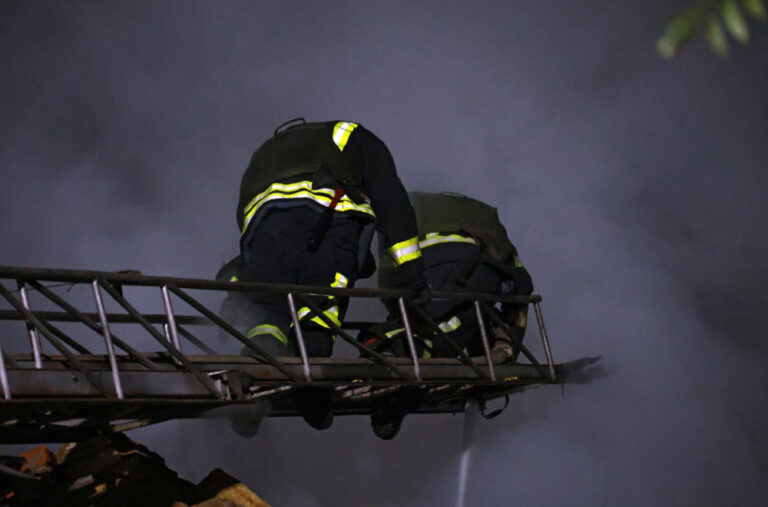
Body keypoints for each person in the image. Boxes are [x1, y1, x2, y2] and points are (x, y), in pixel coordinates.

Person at [222, 118, 427, 430]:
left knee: (267, 313)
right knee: (319, 308)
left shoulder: (267, 150)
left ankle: (251, 386)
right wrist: (410, 272)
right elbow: (391, 202)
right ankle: (313, 392)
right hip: (328, 220)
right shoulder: (353, 136)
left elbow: (244, 212)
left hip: (262, 233)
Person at [359, 191, 534, 438]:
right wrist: (511, 346)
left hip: (427, 274)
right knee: (441, 331)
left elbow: (388, 280)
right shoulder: (487, 224)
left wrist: (400, 306)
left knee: (428, 332)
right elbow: (523, 291)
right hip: (480, 275)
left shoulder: (399, 210)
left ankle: (392, 364)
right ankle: (391, 354)